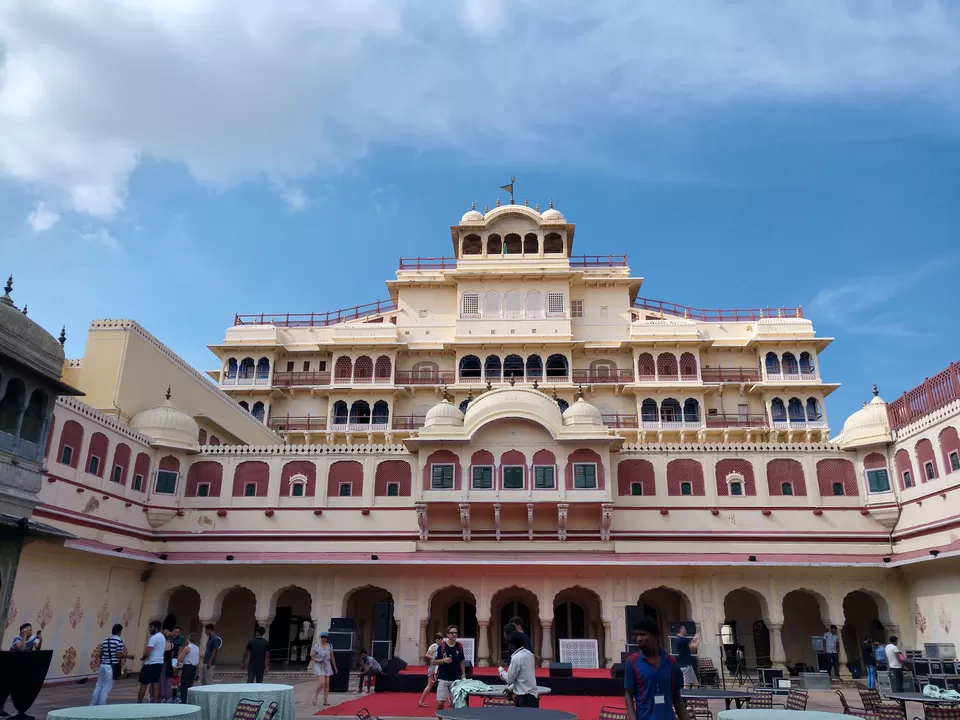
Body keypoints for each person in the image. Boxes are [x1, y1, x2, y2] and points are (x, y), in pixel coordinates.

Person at [624, 618, 690, 720]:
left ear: (656, 636)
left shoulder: (671, 661)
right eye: (637, 635)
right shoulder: (632, 662)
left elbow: (677, 696)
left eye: (643, 634)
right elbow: (628, 694)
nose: (639, 639)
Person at [498, 631, 539, 707]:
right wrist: (510, 688)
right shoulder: (529, 654)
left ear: (512, 645)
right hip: (533, 697)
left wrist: (500, 669)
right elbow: (523, 678)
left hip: (523, 698)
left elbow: (509, 679)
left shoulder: (516, 658)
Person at [90, 624, 127, 705]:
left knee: (99, 685)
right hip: (111, 667)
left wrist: (101, 663)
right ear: (120, 631)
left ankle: (92, 705)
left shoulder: (105, 640)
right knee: (106, 688)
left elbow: (101, 654)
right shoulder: (119, 641)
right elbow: (118, 655)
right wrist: (128, 656)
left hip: (103, 665)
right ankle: (101, 706)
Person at [433, 625, 465, 713]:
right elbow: (434, 662)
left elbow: (462, 660)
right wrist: (443, 660)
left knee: (455, 704)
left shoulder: (459, 646)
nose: (454, 634)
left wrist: (463, 674)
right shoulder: (442, 647)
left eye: (456, 633)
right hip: (443, 678)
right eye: (452, 633)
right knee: (440, 703)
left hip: (455, 679)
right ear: (447, 634)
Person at [137, 620, 166, 703]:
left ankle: (139, 703)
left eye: (151, 627)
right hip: (159, 663)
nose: (149, 629)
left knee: (144, 683)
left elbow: (148, 651)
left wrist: (143, 657)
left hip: (150, 663)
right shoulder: (162, 637)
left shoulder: (153, 638)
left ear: (156, 628)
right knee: (155, 683)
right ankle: (155, 702)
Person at [417, 633, 443, 708]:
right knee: (429, 686)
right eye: (437, 638)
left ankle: (450, 701)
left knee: (444, 684)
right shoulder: (434, 646)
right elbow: (427, 654)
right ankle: (421, 701)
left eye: (440, 638)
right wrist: (433, 658)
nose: (438, 639)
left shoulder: (443, 646)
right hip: (433, 668)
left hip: (440, 668)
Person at [311, 632, 337, 706]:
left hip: (327, 665)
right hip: (319, 665)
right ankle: (315, 696)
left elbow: (332, 657)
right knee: (322, 683)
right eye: (322, 637)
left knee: (327, 684)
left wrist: (334, 667)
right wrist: (317, 660)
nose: (323, 639)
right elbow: (312, 656)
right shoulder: (317, 646)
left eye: (325, 637)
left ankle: (325, 700)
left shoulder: (329, 646)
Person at [177, 633, 200, 704]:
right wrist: (198, 671)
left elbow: (179, 659)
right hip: (194, 667)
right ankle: (189, 700)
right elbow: (198, 659)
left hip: (187, 667)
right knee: (190, 685)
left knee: (184, 685)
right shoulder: (197, 648)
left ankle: (183, 700)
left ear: (188, 639)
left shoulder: (187, 648)